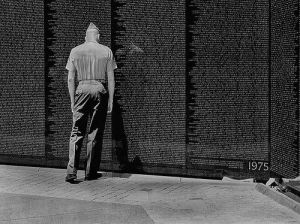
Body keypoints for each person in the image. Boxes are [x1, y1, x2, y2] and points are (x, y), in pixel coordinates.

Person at [65, 22, 117, 182]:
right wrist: (111, 100)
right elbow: (111, 78)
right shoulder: (106, 51)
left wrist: (73, 100)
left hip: (81, 88)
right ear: (98, 36)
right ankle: (90, 172)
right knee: (95, 133)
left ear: (86, 36)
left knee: (76, 132)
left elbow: (71, 78)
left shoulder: (75, 51)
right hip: (99, 89)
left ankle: (71, 172)